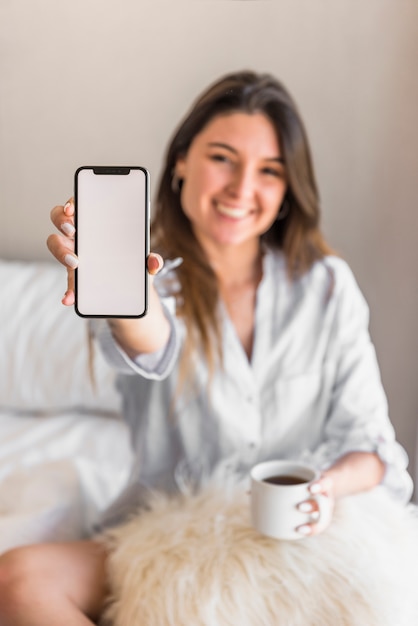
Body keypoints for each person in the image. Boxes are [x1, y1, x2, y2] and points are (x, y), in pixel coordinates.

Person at [0, 70, 412, 625]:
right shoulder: (149, 283)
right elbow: (152, 342)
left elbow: (371, 447)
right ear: (181, 164)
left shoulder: (326, 287)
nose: (243, 189)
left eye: (269, 171)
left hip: (296, 532)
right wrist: (128, 300)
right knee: (18, 579)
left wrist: (324, 488)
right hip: (170, 529)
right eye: (222, 158)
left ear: (288, 189)